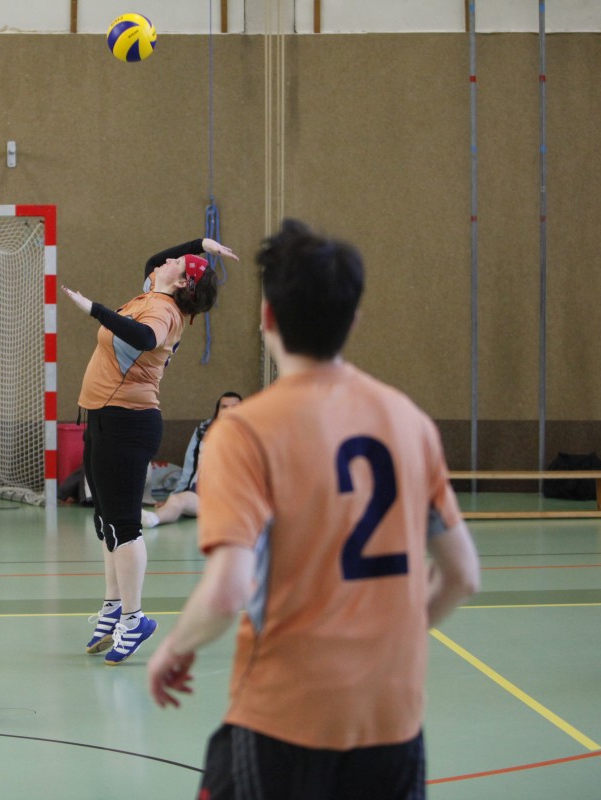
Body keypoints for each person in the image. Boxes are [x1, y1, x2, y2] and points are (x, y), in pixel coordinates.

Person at [146, 219, 481, 799]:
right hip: (393, 723)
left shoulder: (244, 431)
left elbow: (227, 592)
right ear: (354, 320)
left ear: (268, 318)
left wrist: (176, 648)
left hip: (284, 720)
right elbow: (462, 575)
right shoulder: (410, 422)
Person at [62, 235, 239, 665]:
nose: (170, 260)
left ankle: (135, 617)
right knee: (106, 521)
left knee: (124, 525)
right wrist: (202, 243)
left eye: (179, 262)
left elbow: (143, 337)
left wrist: (94, 309)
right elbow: (155, 259)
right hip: (103, 416)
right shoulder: (151, 293)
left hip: (128, 422)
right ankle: (113, 607)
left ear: (180, 283)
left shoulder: (163, 311)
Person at [140, 391, 242, 529]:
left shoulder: (252, 434)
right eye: (224, 407)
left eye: (234, 407)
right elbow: (189, 468)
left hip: (233, 499)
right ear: (217, 411)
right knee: (177, 500)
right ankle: (154, 519)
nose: (228, 411)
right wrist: (173, 496)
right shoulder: (203, 431)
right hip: (203, 494)